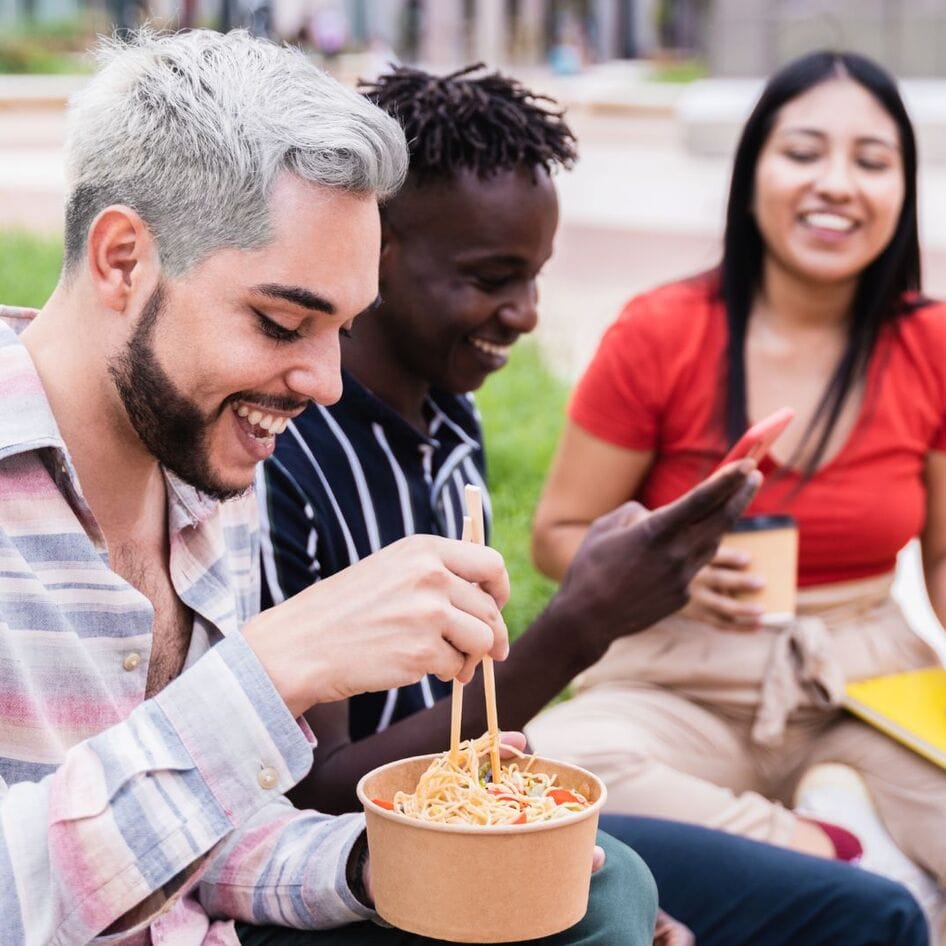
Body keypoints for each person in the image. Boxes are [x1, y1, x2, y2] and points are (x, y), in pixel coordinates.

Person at [0, 30, 667, 946]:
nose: (324, 383)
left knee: (596, 887)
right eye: (283, 323)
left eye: (342, 329)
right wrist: (271, 669)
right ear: (123, 260)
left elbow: (200, 839)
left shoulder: (207, 459)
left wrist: (381, 857)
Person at [258, 63, 929, 946]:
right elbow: (322, 796)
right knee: (617, 876)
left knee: (878, 913)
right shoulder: (287, 450)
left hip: (492, 805)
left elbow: (469, 722)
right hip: (356, 865)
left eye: (536, 278)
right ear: (373, 252)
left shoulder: (450, 415)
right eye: (495, 277)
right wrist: (581, 621)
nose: (528, 314)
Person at [528, 47, 946, 935]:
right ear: (752, 169)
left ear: (903, 190)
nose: (836, 183)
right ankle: (830, 851)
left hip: (867, 676)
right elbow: (558, 531)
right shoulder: (660, 330)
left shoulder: (932, 343)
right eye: (802, 152)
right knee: (550, 767)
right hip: (678, 670)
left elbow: (945, 556)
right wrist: (666, 571)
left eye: (872, 162)